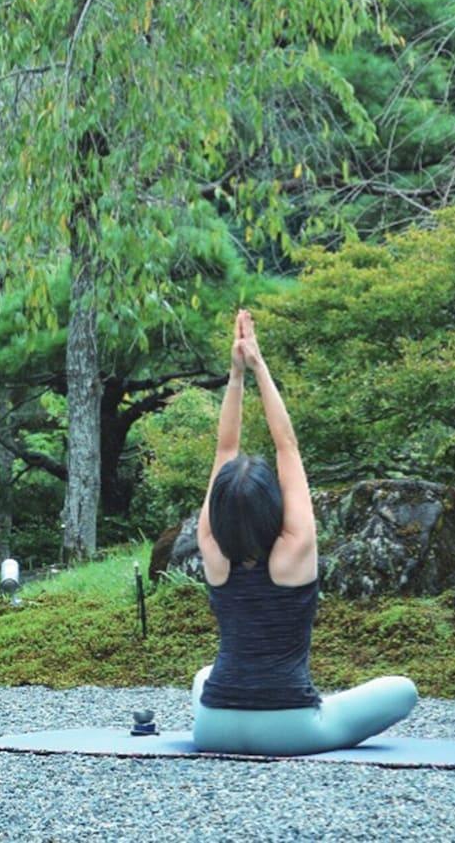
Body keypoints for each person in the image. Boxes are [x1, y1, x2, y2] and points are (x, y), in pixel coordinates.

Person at [189, 308, 418, 756]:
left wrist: (234, 377)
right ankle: (309, 706)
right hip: (292, 729)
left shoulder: (211, 548)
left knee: (203, 676)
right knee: (403, 689)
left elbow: (225, 448)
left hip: (212, 727)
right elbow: (286, 446)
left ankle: (258, 709)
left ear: (218, 508)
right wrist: (258, 365)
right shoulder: (294, 551)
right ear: (271, 505)